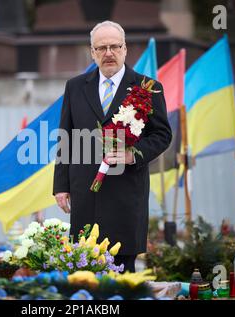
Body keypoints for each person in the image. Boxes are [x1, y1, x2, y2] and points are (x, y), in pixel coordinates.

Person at [53, 21, 172, 273]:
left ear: (125, 49)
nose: (109, 53)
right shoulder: (75, 87)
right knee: (83, 273)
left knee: (122, 274)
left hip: (125, 195)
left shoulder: (147, 88)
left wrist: (133, 155)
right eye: (102, 47)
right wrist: (61, 186)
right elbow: (66, 136)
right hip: (85, 194)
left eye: (114, 46)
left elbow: (162, 135)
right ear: (92, 52)